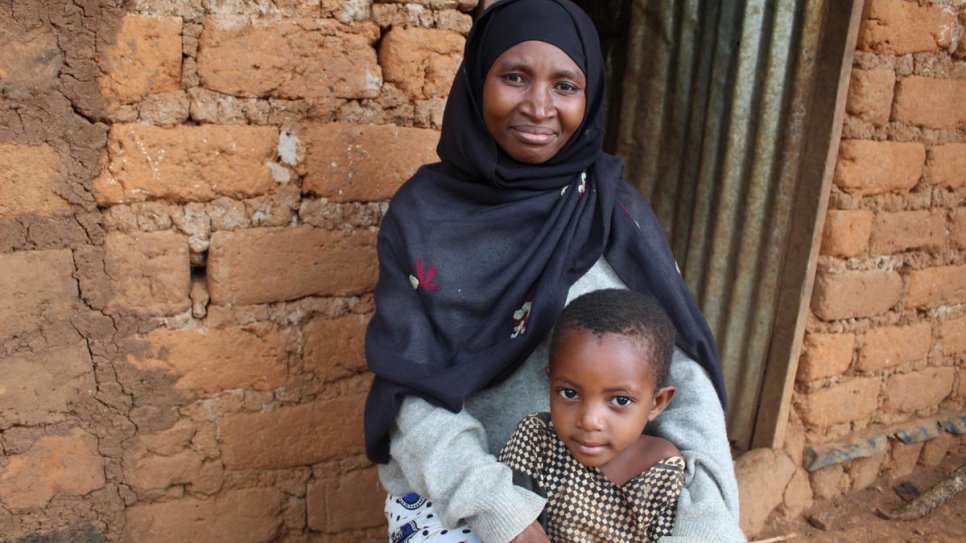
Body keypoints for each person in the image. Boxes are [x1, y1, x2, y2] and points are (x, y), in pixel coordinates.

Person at [364, 0, 745, 542]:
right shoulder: (422, 217)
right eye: (514, 77)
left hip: (604, 495)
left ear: (588, 100)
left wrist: (706, 523)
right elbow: (412, 394)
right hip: (462, 488)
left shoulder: (615, 212)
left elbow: (682, 374)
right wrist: (507, 516)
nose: (539, 107)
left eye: (565, 85)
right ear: (477, 81)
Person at [498, 288, 683, 542]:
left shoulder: (661, 471)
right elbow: (503, 512)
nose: (589, 420)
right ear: (550, 381)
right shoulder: (537, 439)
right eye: (570, 393)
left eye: (620, 400)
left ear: (657, 403)